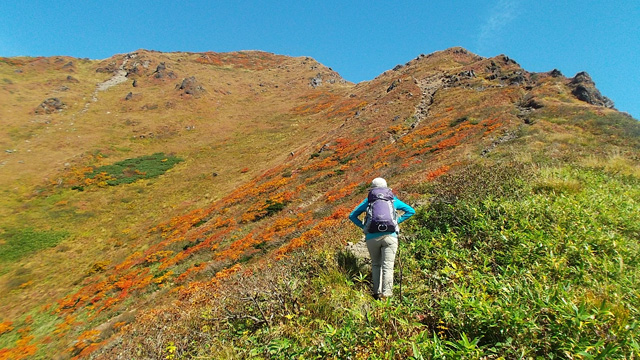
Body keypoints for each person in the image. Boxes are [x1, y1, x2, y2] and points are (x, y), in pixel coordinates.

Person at [349, 178, 415, 299]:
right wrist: (396, 221)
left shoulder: (368, 201)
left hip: (371, 238)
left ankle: (377, 293)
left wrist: (363, 226)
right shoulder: (392, 199)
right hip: (390, 236)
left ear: (372, 190)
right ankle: (387, 296)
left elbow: (352, 215)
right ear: (386, 188)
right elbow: (411, 211)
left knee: (376, 265)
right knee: (388, 266)